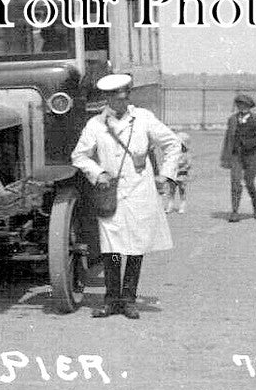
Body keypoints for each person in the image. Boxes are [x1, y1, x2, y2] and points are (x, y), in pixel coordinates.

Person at [72, 73, 181, 320]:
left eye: (125, 97)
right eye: (116, 98)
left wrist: (165, 175)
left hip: (140, 192)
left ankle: (129, 299)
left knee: (136, 246)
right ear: (107, 99)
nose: (121, 102)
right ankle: (111, 300)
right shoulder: (95, 125)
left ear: (129, 96)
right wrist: (97, 172)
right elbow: (79, 156)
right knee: (110, 246)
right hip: (110, 194)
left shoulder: (143, 118)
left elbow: (173, 144)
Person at [220, 93, 256, 222]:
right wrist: (226, 157)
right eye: (239, 105)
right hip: (236, 155)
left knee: (249, 182)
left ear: (249, 106)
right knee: (235, 182)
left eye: (244, 105)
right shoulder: (232, 120)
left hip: (252, 155)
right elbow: (228, 139)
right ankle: (234, 212)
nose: (241, 107)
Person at [163, 132, 191, 214]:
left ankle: (182, 205)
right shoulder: (173, 153)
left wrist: (182, 166)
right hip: (173, 175)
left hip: (181, 175)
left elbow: (188, 164)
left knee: (182, 190)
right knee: (171, 191)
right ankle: (170, 206)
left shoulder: (186, 154)